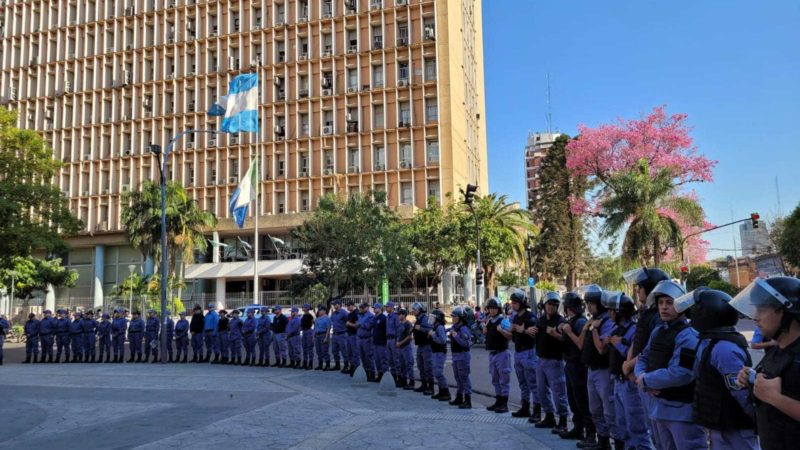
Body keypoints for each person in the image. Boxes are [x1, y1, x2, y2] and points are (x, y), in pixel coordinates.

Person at [675, 288, 756, 450]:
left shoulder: (724, 349)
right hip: (723, 427)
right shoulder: (713, 342)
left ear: (708, 315)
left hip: (735, 429)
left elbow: (740, 393)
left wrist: (757, 420)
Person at [634, 280, 705, 450]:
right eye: (660, 303)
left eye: (669, 302)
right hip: (658, 407)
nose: (663, 307)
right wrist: (642, 377)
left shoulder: (688, 335)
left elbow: (681, 373)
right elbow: (643, 358)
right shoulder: (658, 331)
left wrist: (646, 380)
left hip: (681, 412)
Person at [733, 276, 800, 450]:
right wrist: (750, 377)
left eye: (762, 308)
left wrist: (775, 398)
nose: (756, 317)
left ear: (785, 311)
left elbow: (770, 394)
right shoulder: (777, 350)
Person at [621, 266, 671, 444]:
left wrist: (630, 365)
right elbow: (638, 340)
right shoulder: (647, 313)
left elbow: (651, 348)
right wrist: (628, 363)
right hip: (639, 375)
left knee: (658, 434)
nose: (637, 291)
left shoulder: (658, 316)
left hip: (649, 377)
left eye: (640, 287)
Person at [602, 292, 650, 450]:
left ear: (621, 312)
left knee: (636, 427)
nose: (609, 313)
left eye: (612, 310)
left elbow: (635, 356)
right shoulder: (618, 328)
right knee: (623, 426)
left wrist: (619, 344)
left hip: (630, 385)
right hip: (618, 381)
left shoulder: (634, 330)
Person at [578, 285, 617, 450]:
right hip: (591, 370)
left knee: (609, 411)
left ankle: (616, 441)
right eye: (587, 303)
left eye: (592, 303)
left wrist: (593, 328)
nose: (589, 307)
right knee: (594, 409)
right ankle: (603, 440)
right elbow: (581, 344)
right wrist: (588, 326)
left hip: (604, 371)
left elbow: (601, 349)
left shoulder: (606, 321)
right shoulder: (592, 320)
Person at [557, 292, 592, 441]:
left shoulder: (580, 322)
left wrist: (568, 332)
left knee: (582, 400)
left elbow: (580, 344)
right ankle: (578, 428)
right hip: (570, 364)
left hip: (578, 366)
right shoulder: (572, 320)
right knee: (573, 399)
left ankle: (590, 432)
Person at [532, 292, 569, 431]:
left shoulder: (560, 321)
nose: (552, 307)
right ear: (544, 305)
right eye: (549, 304)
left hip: (555, 361)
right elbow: (534, 334)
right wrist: (530, 330)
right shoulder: (540, 320)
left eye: (554, 305)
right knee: (541, 390)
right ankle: (549, 416)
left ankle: (563, 420)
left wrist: (556, 334)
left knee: (558, 392)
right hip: (540, 359)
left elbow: (566, 339)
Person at [508, 289, 540, 421]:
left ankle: (537, 410)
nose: (513, 305)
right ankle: (525, 407)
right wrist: (511, 329)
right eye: (512, 302)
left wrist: (524, 330)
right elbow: (512, 334)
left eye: (515, 303)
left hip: (528, 352)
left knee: (533, 382)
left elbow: (534, 333)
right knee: (522, 383)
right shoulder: (515, 317)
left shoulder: (530, 317)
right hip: (518, 351)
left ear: (521, 303)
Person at [486, 297, 513, 413]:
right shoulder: (489, 320)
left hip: (502, 353)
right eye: (490, 308)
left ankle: (504, 404)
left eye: (494, 308)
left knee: (504, 379)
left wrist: (501, 330)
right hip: (492, 354)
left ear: (499, 309)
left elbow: (510, 336)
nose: (492, 310)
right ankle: (498, 401)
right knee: (495, 379)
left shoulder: (503, 321)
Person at [449, 306, 473, 409]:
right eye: (452, 316)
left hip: (462, 355)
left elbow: (466, 344)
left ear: (460, 317)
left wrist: (456, 336)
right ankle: (459, 397)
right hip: (455, 355)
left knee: (464, 378)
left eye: (455, 316)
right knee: (458, 378)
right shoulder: (454, 327)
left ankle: (467, 400)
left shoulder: (463, 329)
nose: (453, 318)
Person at [411, 302, 434, 394]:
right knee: (420, 365)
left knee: (427, 366)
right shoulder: (418, 319)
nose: (413, 311)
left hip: (426, 345)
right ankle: (424, 384)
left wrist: (420, 328)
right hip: (420, 345)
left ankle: (431, 387)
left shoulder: (426, 318)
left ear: (420, 310)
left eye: (415, 310)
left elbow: (431, 329)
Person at [429, 309, 450, 400]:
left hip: (440, 352)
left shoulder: (439, 327)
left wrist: (433, 335)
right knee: (435, 372)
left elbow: (443, 340)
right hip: (435, 351)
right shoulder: (435, 326)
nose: (431, 319)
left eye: (433, 317)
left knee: (438, 372)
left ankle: (446, 392)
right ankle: (441, 391)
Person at [356, 302, 377, 380]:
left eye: (362, 308)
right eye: (360, 308)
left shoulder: (370, 316)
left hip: (367, 339)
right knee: (362, 357)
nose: (360, 309)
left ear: (366, 308)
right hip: (360, 338)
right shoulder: (360, 315)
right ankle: (365, 373)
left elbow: (368, 326)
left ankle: (372, 373)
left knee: (369, 357)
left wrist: (360, 324)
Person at [396, 308, 416, 390]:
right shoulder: (400, 324)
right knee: (402, 365)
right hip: (400, 347)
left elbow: (409, 337)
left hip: (406, 347)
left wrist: (400, 343)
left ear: (403, 315)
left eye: (399, 314)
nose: (398, 316)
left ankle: (411, 382)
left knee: (409, 364)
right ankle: (403, 381)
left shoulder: (408, 324)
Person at [384, 301, 401, 384]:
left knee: (396, 359)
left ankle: (399, 378)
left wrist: (398, 340)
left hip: (394, 339)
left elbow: (398, 329)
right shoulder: (388, 316)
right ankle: (393, 377)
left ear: (391, 307)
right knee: (390, 359)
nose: (386, 308)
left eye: (387, 307)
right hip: (388, 339)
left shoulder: (395, 317)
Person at [329, 298, 348, 373]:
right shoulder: (333, 313)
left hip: (342, 334)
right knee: (334, 350)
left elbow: (348, 322)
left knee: (344, 351)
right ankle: (337, 365)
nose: (334, 305)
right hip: (335, 334)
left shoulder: (344, 313)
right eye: (333, 304)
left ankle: (346, 365)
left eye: (335, 304)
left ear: (339, 305)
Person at [372, 303, 389, 382]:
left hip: (382, 343)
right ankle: (379, 374)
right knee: (377, 360)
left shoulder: (383, 318)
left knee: (383, 360)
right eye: (374, 308)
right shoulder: (374, 318)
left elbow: (386, 330)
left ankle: (385, 376)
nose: (374, 309)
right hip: (375, 342)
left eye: (375, 308)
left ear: (379, 308)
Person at [345, 301, 361, 375]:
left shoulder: (356, 313)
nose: (347, 307)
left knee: (355, 353)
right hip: (349, 334)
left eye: (349, 305)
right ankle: (352, 367)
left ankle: (356, 369)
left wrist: (349, 324)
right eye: (347, 306)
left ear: (353, 305)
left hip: (354, 335)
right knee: (349, 352)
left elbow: (357, 325)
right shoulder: (349, 314)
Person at [314, 305, 332, 370]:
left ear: (324, 311)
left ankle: (327, 365)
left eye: (320, 310)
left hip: (323, 335)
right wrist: (313, 337)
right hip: (317, 335)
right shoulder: (317, 319)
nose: (319, 311)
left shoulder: (327, 318)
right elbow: (315, 328)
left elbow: (328, 329)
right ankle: (320, 365)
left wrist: (326, 338)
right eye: (319, 310)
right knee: (318, 351)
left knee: (324, 351)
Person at [300, 303, 315, 370]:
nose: (302, 308)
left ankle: (310, 364)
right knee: (304, 348)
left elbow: (312, 324)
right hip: (304, 332)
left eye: (303, 307)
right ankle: (305, 363)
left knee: (310, 348)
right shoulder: (303, 315)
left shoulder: (310, 316)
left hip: (309, 331)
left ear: (307, 308)